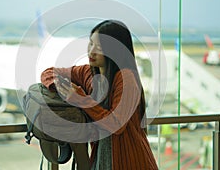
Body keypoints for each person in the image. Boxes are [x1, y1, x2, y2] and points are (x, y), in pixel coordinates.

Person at [41, 20, 158, 169]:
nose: (91, 51)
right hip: (101, 158)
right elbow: (48, 72)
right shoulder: (88, 73)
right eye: (91, 44)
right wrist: (60, 87)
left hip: (130, 160)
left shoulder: (126, 78)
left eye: (100, 47)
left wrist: (79, 99)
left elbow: (116, 124)